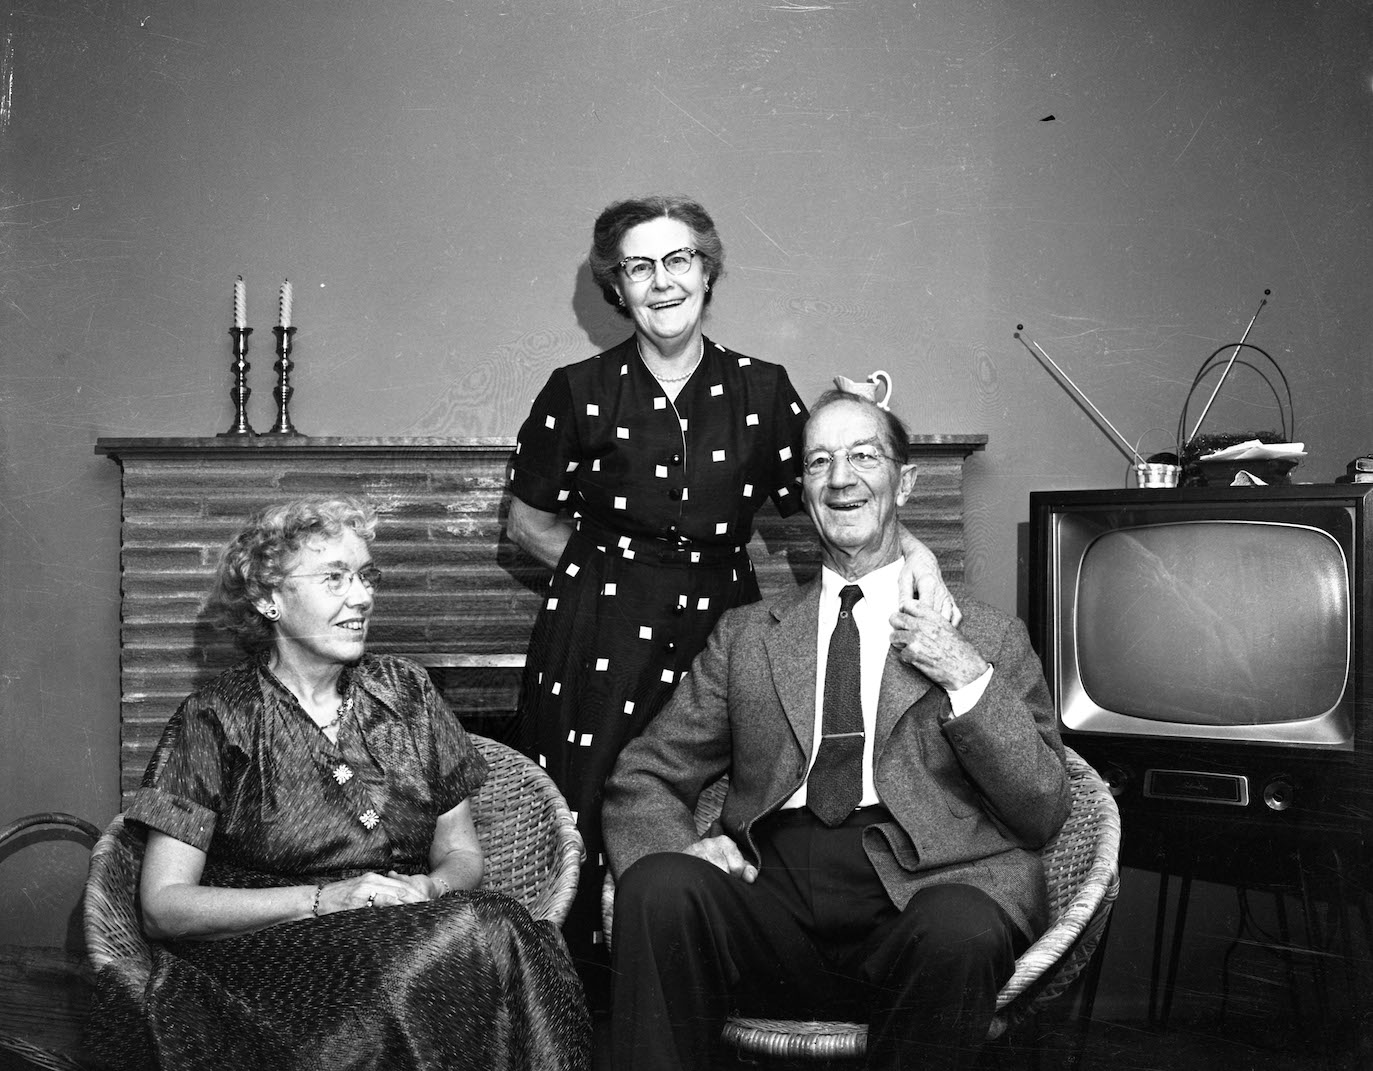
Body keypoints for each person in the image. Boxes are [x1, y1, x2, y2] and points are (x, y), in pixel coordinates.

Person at [505, 194, 957, 985]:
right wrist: (604, 580)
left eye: (678, 260)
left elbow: (833, 505)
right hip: (595, 636)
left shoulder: (761, 387)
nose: (661, 281)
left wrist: (915, 556)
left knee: (735, 794)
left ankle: (714, 981)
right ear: (616, 286)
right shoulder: (575, 389)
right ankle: (575, 1011)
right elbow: (526, 520)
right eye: (639, 267)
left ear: (705, 271)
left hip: (725, 619)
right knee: (586, 809)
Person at [602, 389, 1073, 1071]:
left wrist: (965, 674)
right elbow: (642, 774)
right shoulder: (747, 637)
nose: (840, 478)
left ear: (903, 481)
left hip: (924, 895)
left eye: (862, 456)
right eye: (819, 462)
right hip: (773, 897)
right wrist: (682, 846)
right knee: (658, 886)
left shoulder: (987, 634)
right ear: (803, 489)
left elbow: (1042, 807)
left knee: (960, 929)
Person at [88, 495, 590, 1071]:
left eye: (365, 576)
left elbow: (458, 850)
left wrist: (429, 892)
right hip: (271, 968)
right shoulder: (214, 718)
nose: (362, 596)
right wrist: (328, 901)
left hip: (415, 932)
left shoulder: (409, 694)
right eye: (334, 578)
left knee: (480, 931)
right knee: (484, 933)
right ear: (268, 598)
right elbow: (164, 906)